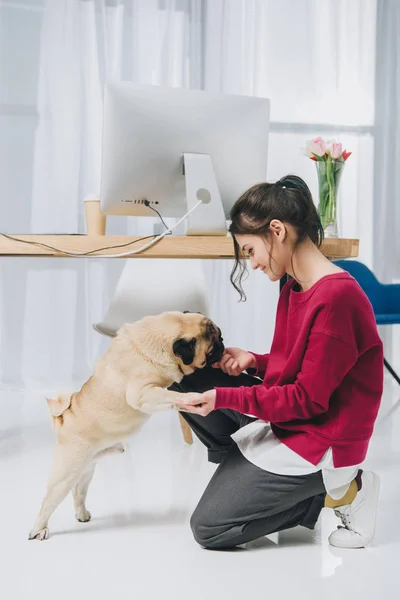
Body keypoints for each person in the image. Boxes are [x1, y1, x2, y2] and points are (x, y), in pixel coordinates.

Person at [172, 174, 383, 551]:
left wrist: (224, 399)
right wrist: (254, 361)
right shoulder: (294, 285)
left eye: (251, 250)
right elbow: (304, 365)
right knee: (186, 373)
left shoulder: (336, 298)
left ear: (276, 230)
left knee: (209, 529)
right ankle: (253, 478)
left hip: (320, 437)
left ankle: (345, 490)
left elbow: (308, 399)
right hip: (295, 414)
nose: (251, 264)